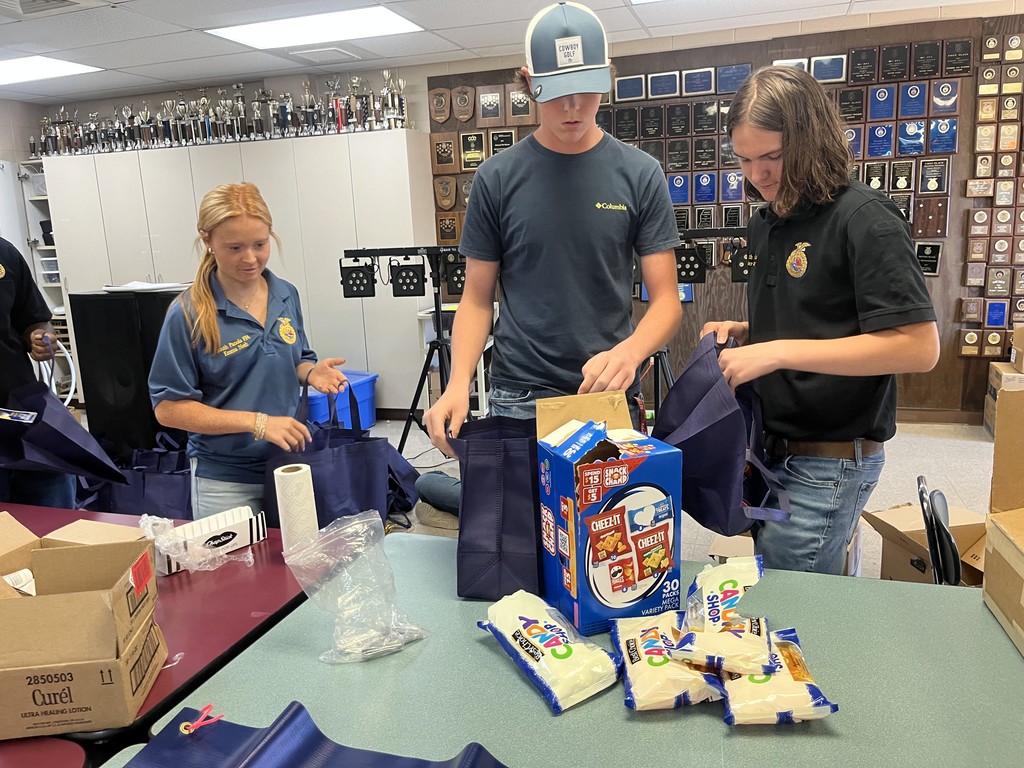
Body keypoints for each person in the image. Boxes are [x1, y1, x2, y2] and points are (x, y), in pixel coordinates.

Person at [423, 1, 681, 474]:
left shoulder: (640, 173)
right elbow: (476, 299)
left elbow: (666, 300)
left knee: (608, 522)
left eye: (586, 89)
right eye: (557, 92)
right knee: (518, 520)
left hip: (608, 391)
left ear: (606, 75)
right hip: (519, 394)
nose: (572, 107)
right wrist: (458, 383)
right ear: (528, 82)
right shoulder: (496, 178)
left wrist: (631, 351)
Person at [702, 65, 940, 575]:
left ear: (809, 140)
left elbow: (919, 347)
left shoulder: (866, 218)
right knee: (787, 582)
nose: (757, 175)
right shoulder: (766, 223)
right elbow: (819, 315)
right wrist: (748, 333)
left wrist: (776, 351)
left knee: (792, 599)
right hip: (770, 448)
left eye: (772, 157)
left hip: (828, 459)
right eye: (744, 159)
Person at [149, 182, 349, 519]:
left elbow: (297, 357)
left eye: (260, 244)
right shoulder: (188, 314)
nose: (250, 258)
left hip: (288, 464)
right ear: (207, 241)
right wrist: (257, 423)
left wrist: (312, 372)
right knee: (234, 556)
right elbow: (169, 409)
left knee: (296, 553)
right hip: (224, 477)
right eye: (235, 248)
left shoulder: (285, 294)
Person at [0, 237, 76, 508]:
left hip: (21, 412)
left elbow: (33, 319)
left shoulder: (4, 253)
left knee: (55, 512)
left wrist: (40, 337)